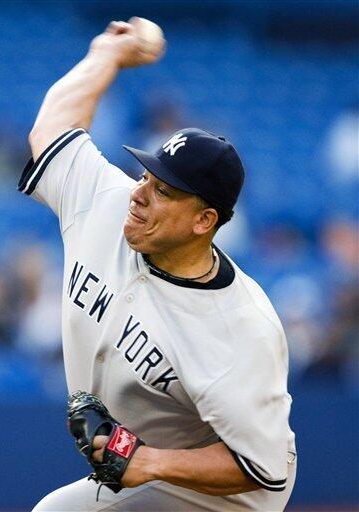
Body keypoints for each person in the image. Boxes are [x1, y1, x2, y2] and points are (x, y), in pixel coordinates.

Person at [18, 19, 296, 512]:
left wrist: (145, 462)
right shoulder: (110, 204)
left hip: (227, 495)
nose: (139, 194)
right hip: (150, 471)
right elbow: (53, 130)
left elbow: (265, 467)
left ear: (203, 220)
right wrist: (105, 55)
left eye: (163, 190)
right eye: (145, 175)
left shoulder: (241, 328)